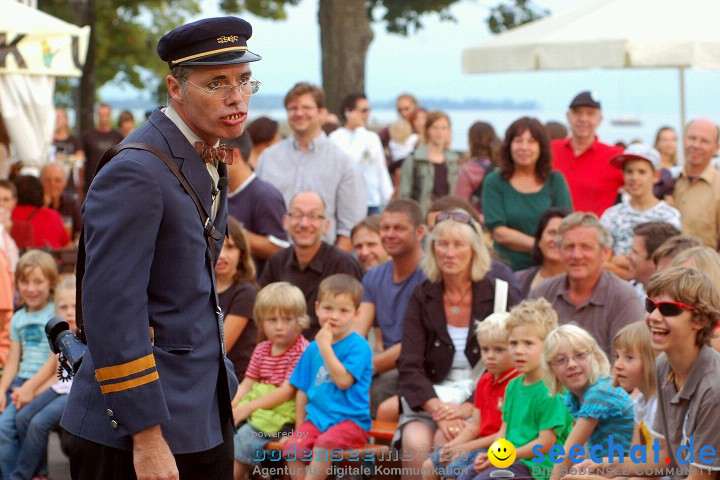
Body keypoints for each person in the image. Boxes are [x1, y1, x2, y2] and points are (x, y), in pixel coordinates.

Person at [60, 16, 262, 479]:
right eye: (217, 83)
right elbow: (114, 309)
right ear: (176, 88)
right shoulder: (138, 170)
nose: (236, 96)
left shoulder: (204, 149)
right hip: (138, 433)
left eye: (244, 80)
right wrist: (146, 437)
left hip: (199, 414)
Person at [397, 210, 519, 480]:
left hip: (483, 400)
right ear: (432, 250)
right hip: (429, 399)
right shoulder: (421, 295)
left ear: (474, 250)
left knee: (446, 441)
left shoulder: (500, 293)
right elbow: (409, 364)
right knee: (415, 445)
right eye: (442, 244)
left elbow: (515, 362)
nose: (449, 253)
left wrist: (466, 409)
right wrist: (438, 410)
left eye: (458, 245)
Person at [566, 267, 720, 480]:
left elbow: (700, 478)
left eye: (669, 309)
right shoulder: (663, 365)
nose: (654, 316)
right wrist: (602, 468)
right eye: (651, 305)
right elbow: (663, 457)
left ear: (700, 320)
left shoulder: (714, 388)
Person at [456, 299, 573, 480]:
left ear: (549, 346)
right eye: (513, 343)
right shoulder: (513, 386)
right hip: (511, 460)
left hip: (537, 468)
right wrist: (493, 454)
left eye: (528, 343)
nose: (518, 351)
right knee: (463, 476)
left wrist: (507, 456)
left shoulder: (552, 390)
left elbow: (545, 443)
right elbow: (504, 430)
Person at [255, 82, 366, 252]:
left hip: (324, 267)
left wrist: (330, 270)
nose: (299, 113)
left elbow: (350, 228)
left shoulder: (344, 163)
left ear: (321, 113)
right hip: (271, 265)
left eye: (306, 107)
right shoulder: (268, 159)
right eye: (293, 108)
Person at [282, 274, 373, 480]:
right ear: (316, 308)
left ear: (356, 314)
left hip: (351, 422)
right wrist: (299, 428)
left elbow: (343, 381)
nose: (334, 316)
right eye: (328, 308)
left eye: (343, 310)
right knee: (292, 449)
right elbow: (302, 390)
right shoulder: (312, 348)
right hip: (315, 420)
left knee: (324, 445)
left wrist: (325, 345)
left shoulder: (358, 346)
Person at [528, 212, 643, 358]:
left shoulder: (623, 299)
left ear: (605, 254)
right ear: (560, 251)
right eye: (569, 247)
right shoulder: (541, 294)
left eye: (586, 247)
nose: (576, 255)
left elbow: (628, 363)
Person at [422, 312, 520, 480]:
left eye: (499, 350)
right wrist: (453, 446)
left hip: (501, 447)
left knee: (454, 472)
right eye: (485, 349)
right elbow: (475, 426)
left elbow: (507, 434)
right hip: (479, 444)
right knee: (429, 465)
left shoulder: (517, 383)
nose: (490, 356)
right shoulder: (484, 381)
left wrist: (466, 447)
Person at [356, 199, 427, 418]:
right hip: (384, 365)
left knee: (372, 391)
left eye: (399, 228)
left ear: (420, 232)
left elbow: (415, 343)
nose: (389, 234)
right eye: (385, 228)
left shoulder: (430, 276)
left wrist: (368, 368)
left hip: (419, 366)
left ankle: (376, 452)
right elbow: (357, 333)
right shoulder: (374, 276)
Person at [231, 282, 309, 480]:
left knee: (242, 441)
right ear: (261, 321)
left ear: (300, 320)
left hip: (287, 417)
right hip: (262, 412)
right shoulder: (262, 349)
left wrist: (247, 408)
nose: (279, 326)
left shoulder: (302, 350)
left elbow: (287, 392)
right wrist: (233, 407)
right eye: (272, 320)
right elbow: (247, 384)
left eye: (287, 319)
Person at [260, 191, 362, 340]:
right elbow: (262, 315)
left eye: (314, 216)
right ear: (285, 222)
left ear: (326, 225)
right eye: (297, 214)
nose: (304, 223)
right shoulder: (276, 262)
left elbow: (353, 326)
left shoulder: (343, 265)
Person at [544, 324, 634, 480]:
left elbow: (569, 453)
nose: (572, 364)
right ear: (551, 369)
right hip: (604, 469)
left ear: (594, 357)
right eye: (561, 360)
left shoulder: (600, 392)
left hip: (626, 472)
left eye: (579, 355)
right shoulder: (575, 397)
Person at [482, 117, 573, 271]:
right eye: (518, 141)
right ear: (509, 145)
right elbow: (499, 232)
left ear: (541, 147)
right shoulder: (494, 181)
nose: (524, 147)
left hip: (549, 270)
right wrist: (541, 246)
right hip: (507, 269)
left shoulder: (555, 181)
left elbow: (567, 226)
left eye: (531, 141)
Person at [10, 275, 76, 480]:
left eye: (74, 306)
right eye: (64, 307)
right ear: (57, 310)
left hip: (76, 391)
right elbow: (53, 371)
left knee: (38, 423)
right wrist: (29, 391)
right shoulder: (59, 335)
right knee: (22, 418)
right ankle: (41, 472)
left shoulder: (85, 334)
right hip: (60, 387)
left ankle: (20, 475)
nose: (70, 312)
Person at [0, 250, 58, 478]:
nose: (31, 289)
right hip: (21, 382)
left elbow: (54, 363)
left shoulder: (54, 314)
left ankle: (34, 473)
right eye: (25, 282)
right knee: (4, 427)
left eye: (38, 282)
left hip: (45, 382)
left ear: (50, 283)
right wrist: (2, 390)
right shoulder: (18, 318)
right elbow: (13, 362)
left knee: (31, 423)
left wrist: (31, 388)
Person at [600, 144, 681, 278]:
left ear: (656, 176)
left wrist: (618, 260)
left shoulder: (669, 216)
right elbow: (602, 262)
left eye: (642, 172)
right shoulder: (611, 215)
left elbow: (664, 265)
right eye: (629, 171)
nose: (634, 177)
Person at [225, 132, 289, 275]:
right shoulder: (219, 192)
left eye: (216, 157)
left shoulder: (265, 195)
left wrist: (231, 231)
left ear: (234, 156)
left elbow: (280, 249)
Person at [551, 91, 623, 216]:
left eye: (590, 113)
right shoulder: (550, 149)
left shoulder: (615, 156)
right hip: (555, 232)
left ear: (600, 119)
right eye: (577, 112)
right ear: (568, 116)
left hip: (594, 233)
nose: (583, 119)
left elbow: (644, 184)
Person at [330, 93, 393, 215]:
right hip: (347, 202)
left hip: (372, 200)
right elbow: (350, 162)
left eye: (369, 110)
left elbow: (380, 168)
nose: (367, 114)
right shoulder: (336, 137)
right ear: (348, 111)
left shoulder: (372, 137)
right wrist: (359, 129)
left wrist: (388, 197)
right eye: (363, 110)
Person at [217, 217, 258, 380]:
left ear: (241, 253)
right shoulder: (201, 287)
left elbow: (221, 346)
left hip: (234, 379)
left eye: (230, 247)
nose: (222, 255)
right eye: (217, 246)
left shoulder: (246, 293)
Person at [398, 111, 460, 214]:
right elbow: (404, 195)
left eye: (444, 128)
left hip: (447, 218)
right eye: (435, 128)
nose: (439, 132)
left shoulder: (453, 161)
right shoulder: (414, 160)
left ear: (448, 132)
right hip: (422, 216)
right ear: (427, 131)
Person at [611, 322, 659, 452]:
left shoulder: (659, 406)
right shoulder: (638, 403)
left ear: (651, 360)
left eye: (629, 358)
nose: (618, 365)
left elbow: (658, 462)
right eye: (617, 356)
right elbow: (636, 455)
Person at [672, 118, 720, 249]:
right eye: (692, 138)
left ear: (716, 148)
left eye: (704, 141)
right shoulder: (670, 181)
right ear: (683, 140)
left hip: (706, 267)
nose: (696, 145)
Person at [514, 208, 571, 298]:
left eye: (562, 234)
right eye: (552, 233)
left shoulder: (581, 285)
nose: (556, 240)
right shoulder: (517, 280)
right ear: (539, 240)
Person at [453, 121, 500, 219]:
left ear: (470, 141)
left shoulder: (468, 169)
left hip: (478, 221)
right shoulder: (502, 165)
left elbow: (460, 204)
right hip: (500, 220)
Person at [11, 175, 70, 250]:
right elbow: (66, 244)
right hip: (50, 260)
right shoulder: (53, 215)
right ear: (41, 192)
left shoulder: (8, 215)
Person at [80, 103, 124, 198]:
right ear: (97, 115)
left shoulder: (118, 136)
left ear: (110, 115)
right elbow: (81, 163)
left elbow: (123, 161)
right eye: (101, 114)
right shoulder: (87, 136)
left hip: (113, 184)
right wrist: (80, 186)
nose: (103, 118)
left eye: (106, 115)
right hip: (91, 186)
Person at [627, 222, 681, 297]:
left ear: (656, 258)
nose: (628, 256)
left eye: (635, 252)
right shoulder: (625, 292)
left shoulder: (673, 300)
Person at [40, 162, 83, 241]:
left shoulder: (72, 203)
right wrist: (44, 206)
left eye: (57, 180)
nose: (52, 184)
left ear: (65, 183)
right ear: (40, 182)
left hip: (68, 251)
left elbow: (80, 232)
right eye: (47, 180)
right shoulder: (36, 205)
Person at [653, 126, 678, 200]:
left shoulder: (681, 169)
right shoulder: (651, 167)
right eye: (665, 140)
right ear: (657, 143)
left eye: (673, 139)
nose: (669, 143)